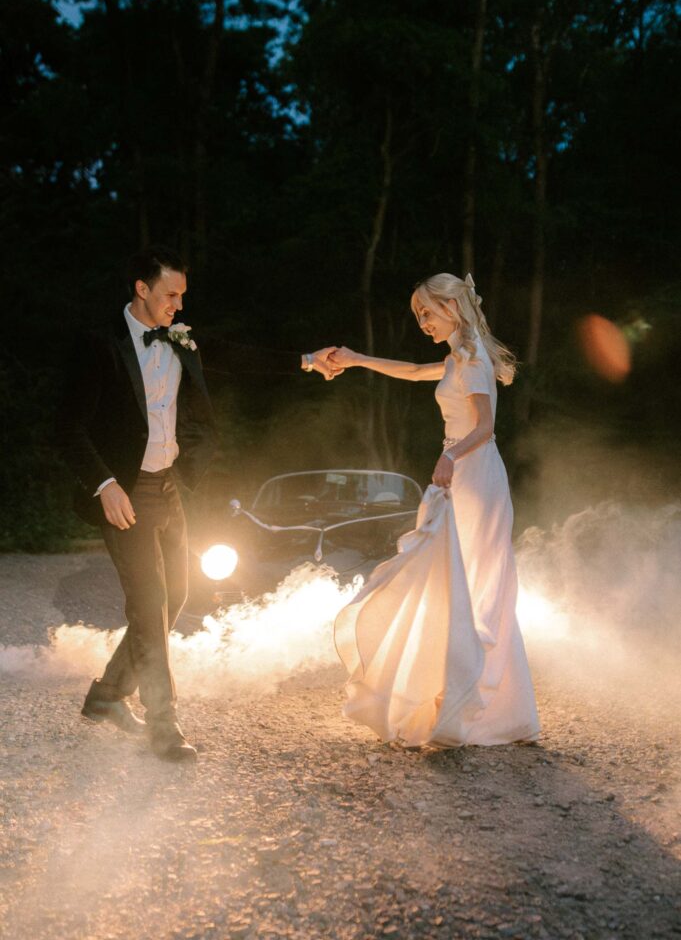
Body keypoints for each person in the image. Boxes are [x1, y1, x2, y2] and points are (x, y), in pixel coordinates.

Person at [56, 244, 338, 762]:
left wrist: (306, 361)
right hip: (124, 495)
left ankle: (104, 697)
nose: (178, 306)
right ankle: (164, 726)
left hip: (167, 488)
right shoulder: (99, 343)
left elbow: (237, 356)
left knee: (176, 597)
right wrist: (104, 483)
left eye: (182, 295)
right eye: (170, 294)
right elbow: (65, 426)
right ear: (141, 289)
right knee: (148, 604)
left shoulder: (181, 338)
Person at [329, 273, 540, 747]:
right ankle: (454, 692)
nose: (422, 322)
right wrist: (358, 360)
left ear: (452, 306)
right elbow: (411, 370)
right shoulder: (456, 358)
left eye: (427, 312)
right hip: (462, 472)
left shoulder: (474, 359)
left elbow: (485, 427)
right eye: (418, 315)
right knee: (451, 583)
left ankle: (474, 700)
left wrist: (449, 455)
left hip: (475, 476)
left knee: (476, 588)